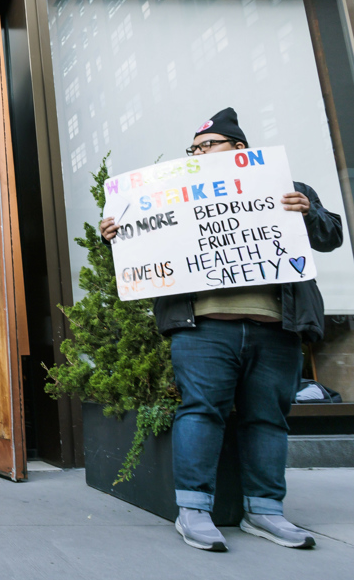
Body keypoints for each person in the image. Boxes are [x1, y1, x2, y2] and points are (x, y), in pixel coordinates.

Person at [100, 108, 343, 552]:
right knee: (200, 410)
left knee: (269, 420)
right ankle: (193, 510)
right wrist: (118, 233)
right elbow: (144, 243)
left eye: (205, 146)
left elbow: (331, 236)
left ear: (238, 149)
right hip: (203, 328)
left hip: (277, 328)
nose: (197, 153)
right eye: (192, 149)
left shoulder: (288, 187)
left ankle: (266, 511)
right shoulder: (170, 193)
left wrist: (307, 213)